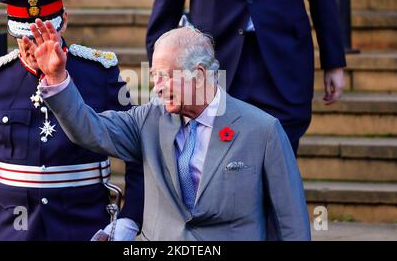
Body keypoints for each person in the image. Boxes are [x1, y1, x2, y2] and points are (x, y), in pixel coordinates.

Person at [33, 24, 311, 240]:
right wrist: (58, 80)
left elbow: (291, 222)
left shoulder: (262, 130)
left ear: (200, 75)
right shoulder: (149, 120)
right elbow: (90, 130)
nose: (157, 87)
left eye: (166, 75)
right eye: (154, 76)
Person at [0, 0, 144, 241]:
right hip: (14, 231)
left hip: (84, 227)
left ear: (64, 22)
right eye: (25, 39)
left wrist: (130, 218)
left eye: (43, 36)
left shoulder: (98, 73)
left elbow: (137, 145)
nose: (35, 47)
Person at [146, 0, 347, 154]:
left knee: (280, 163)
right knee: (216, 165)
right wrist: (159, 70)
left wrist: (333, 60)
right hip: (215, 62)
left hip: (283, 62)